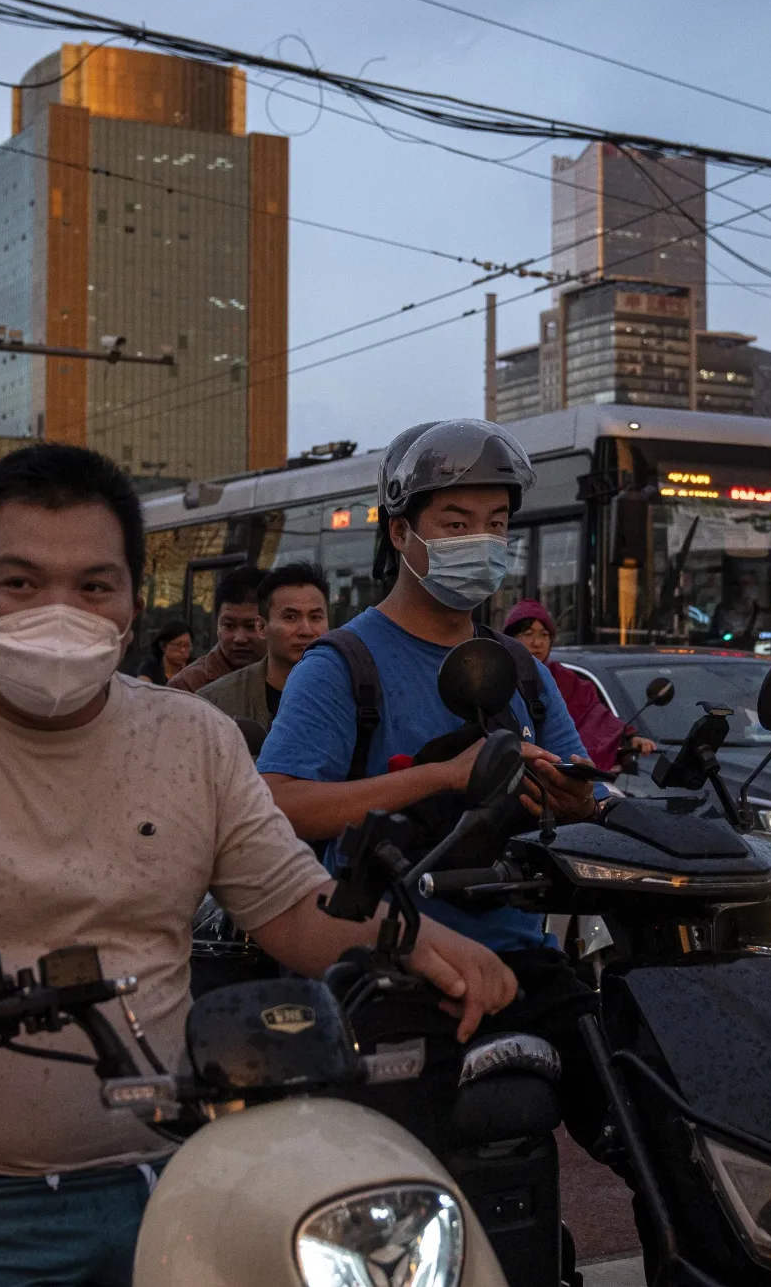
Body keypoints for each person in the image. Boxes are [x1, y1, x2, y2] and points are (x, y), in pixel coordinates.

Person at [0, 443, 514, 1286]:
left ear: (134, 605)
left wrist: (411, 939)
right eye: (20, 583)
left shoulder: (193, 737)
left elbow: (288, 902)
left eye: (94, 585)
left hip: (180, 1168)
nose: (58, 610)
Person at [259, 419, 607, 1146]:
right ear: (400, 533)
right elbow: (280, 805)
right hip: (391, 959)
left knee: (644, 1098)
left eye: (495, 523)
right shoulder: (340, 666)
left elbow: (589, 791)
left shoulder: (522, 671)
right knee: (396, 1162)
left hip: (523, 956)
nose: (479, 540)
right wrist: (439, 777)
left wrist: (575, 797)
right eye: (454, 522)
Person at [501, 599, 653, 772]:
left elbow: (598, 719)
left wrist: (629, 738)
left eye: (544, 634)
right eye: (528, 634)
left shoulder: (566, 680)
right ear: (510, 638)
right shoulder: (497, 677)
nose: (538, 643)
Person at [195, 561, 329, 730]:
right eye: (290, 617)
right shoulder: (214, 702)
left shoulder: (351, 694)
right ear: (261, 627)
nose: (306, 630)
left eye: (315, 617)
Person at [167, 565, 266, 692]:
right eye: (229, 626)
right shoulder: (188, 685)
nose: (239, 638)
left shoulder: (292, 676)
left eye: (250, 626)